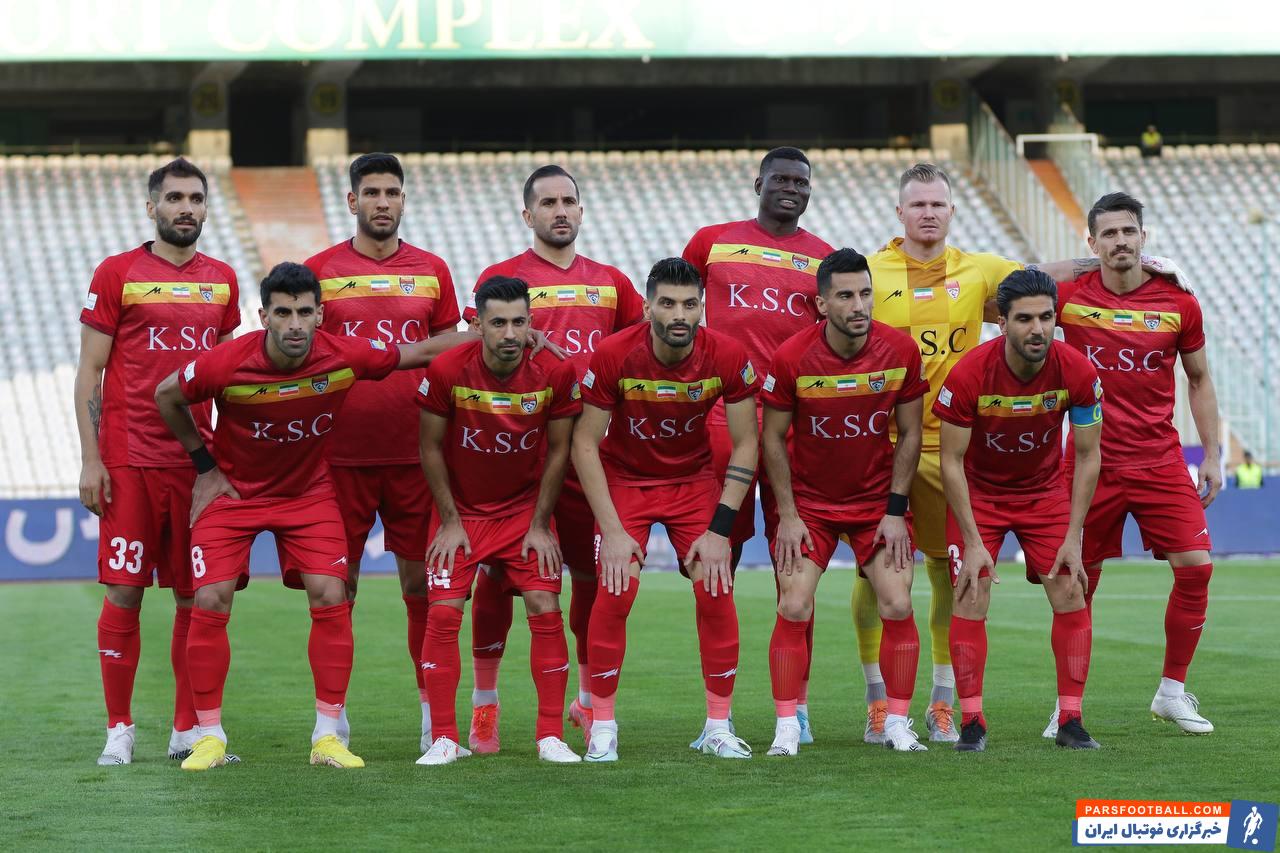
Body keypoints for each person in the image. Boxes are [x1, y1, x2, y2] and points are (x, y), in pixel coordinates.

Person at [853, 162, 1194, 745]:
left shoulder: (980, 270)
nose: (929, 213)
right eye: (918, 204)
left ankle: (948, 704)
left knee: (947, 578)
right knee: (880, 574)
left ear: (952, 210)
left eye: (938, 203)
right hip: (893, 444)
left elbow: (1040, 278)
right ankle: (878, 701)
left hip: (964, 450)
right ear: (899, 211)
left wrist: (1125, 260)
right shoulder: (869, 272)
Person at [153, 262, 462, 771]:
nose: (294, 324)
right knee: (209, 597)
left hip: (307, 494)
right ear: (263, 317)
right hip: (234, 493)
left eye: (303, 312)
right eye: (283, 313)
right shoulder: (227, 362)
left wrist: (501, 335)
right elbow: (166, 394)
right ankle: (209, 737)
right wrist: (204, 465)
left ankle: (328, 736)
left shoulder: (344, 355)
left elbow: (422, 351)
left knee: (331, 593)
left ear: (321, 314)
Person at [460, 165, 644, 752]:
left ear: (581, 211)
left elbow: (639, 352)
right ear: (527, 214)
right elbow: (477, 355)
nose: (560, 211)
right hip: (521, 459)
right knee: (496, 579)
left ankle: (586, 704)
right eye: (548, 203)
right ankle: (485, 706)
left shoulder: (612, 284)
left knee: (591, 580)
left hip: (591, 459)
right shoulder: (501, 280)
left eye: (569, 201)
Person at [75, 157, 241, 765]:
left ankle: (185, 729)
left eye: (195, 198)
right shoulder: (117, 273)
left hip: (197, 469)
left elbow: (228, 380)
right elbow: (90, 372)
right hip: (129, 461)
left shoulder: (223, 281)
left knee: (195, 599)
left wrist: (229, 463)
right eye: (174, 198)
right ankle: (119, 728)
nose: (186, 208)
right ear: (152, 208)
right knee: (124, 593)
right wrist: (91, 460)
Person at [304, 152, 461, 753]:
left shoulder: (432, 271)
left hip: (417, 455)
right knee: (335, 589)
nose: (382, 202)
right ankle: (331, 722)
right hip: (337, 455)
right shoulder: (319, 271)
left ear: (403, 200)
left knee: (422, 585)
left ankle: (431, 719)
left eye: (392, 192)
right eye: (371, 192)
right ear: (352, 201)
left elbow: (451, 349)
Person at [574, 258, 759, 762]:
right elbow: (585, 443)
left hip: (692, 482)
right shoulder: (614, 354)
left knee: (715, 588)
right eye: (668, 303)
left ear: (702, 308)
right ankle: (603, 727)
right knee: (615, 592)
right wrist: (612, 531)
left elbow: (746, 443)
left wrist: (720, 531)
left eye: (690, 304)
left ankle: (717, 727)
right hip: (625, 482)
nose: (680, 314)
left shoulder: (727, 354)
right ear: (647, 307)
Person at [681, 146, 835, 746]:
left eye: (802, 182)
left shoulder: (823, 257)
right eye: (781, 179)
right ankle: (716, 715)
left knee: (795, 567)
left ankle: (796, 706)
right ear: (758, 183)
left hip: (795, 426)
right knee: (715, 563)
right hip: (725, 419)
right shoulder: (711, 243)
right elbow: (677, 311)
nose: (791, 188)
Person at [1053, 191, 1221, 735]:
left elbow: (1199, 379)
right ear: (1092, 241)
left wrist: (1212, 454)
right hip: (1089, 462)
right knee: (1077, 583)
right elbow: (1009, 290)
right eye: (1109, 234)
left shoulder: (1179, 302)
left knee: (1197, 568)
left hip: (1159, 459)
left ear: (1144, 238)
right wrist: (1086, 264)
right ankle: (1067, 707)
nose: (1120, 241)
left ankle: (1171, 692)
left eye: (1129, 232)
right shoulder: (1069, 297)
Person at [760, 249, 929, 755]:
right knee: (794, 604)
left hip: (876, 503)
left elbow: (911, 433)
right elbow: (772, 438)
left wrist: (895, 512)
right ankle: (787, 726)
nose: (859, 305)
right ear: (821, 304)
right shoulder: (792, 357)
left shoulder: (900, 351)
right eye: (846, 296)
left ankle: (896, 723)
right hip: (810, 505)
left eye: (865, 294)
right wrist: (788, 515)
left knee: (898, 601)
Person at [415, 276, 583, 766]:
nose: (509, 334)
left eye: (518, 322)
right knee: (443, 613)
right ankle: (445, 738)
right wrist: (450, 521)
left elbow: (559, 451)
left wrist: (540, 524)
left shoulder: (555, 370)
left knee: (544, 605)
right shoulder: (448, 369)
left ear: (531, 323)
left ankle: (550, 736)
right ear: (478, 325)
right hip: (462, 514)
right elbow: (429, 446)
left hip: (523, 513)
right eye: (498, 323)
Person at [936, 269, 1104, 752]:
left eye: (1046, 318)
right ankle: (973, 723)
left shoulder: (1078, 372)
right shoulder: (968, 374)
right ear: (1002, 322)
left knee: (1070, 590)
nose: (1038, 329)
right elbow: (950, 461)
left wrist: (1073, 536)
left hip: (1044, 494)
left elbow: (1088, 455)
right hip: (980, 496)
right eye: (1025, 319)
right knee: (971, 594)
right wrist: (972, 542)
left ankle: (1071, 720)